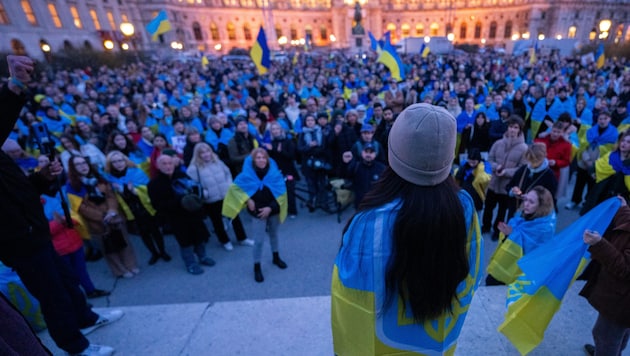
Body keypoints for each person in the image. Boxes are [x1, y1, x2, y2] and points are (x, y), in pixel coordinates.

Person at [331, 103, 482, 355]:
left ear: (393, 151)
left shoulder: (369, 221)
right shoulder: (464, 206)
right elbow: (472, 271)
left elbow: (348, 292)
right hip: (438, 336)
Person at [0, 55, 121, 356]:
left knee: (67, 281)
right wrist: (15, 84)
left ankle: (86, 319)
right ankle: (75, 345)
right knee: (52, 295)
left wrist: (41, 178)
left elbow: (18, 191)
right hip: (18, 240)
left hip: (33, 230)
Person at [66, 155, 140, 278]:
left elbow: (111, 195)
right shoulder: (72, 186)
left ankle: (131, 265)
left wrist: (112, 211)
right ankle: (120, 270)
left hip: (113, 215)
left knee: (124, 242)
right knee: (109, 248)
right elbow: (82, 208)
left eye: (84, 163)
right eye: (78, 164)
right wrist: (103, 216)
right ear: (73, 168)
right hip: (97, 221)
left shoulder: (99, 178)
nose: (83, 166)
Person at [222, 148, 289, 283]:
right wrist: (247, 199)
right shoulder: (246, 175)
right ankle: (257, 266)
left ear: (268, 159)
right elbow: (234, 189)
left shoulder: (274, 174)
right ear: (253, 160)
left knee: (274, 235)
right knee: (258, 241)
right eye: (258, 158)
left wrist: (270, 208)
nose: (261, 160)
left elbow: (282, 194)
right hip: (257, 213)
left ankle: (276, 257)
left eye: (264, 157)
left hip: (273, 210)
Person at [148, 154, 216, 275]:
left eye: (170, 163)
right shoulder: (154, 184)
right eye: (164, 164)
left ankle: (203, 257)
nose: (168, 166)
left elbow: (194, 188)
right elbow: (157, 205)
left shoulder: (181, 175)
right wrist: (179, 201)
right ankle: (191, 264)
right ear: (158, 166)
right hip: (176, 218)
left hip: (193, 213)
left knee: (200, 237)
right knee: (185, 242)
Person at [579, 196, 630, 356]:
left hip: (622, 299)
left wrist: (599, 244)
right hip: (621, 298)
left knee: (605, 335)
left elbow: (625, 268)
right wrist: (623, 209)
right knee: (618, 333)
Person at [104, 150, 171, 265]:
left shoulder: (136, 172)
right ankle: (154, 253)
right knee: (143, 234)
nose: (118, 164)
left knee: (155, 231)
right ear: (110, 164)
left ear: (125, 161)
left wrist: (135, 190)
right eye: (114, 162)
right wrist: (119, 191)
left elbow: (149, 188)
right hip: (131, 211)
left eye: (120, 160)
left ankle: (163, 251)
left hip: (145, 207)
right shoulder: (110, 179)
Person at [186, 142, 253, 251]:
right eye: (202, 153)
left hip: (226, 195)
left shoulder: (218, 161)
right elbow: (193, 186)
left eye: (208, 151)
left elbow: (228, 174)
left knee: (235, 218)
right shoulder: (193, 169)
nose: (206, 154)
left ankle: (242, 238)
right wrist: (205, 193)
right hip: (211, 200)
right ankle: (225, 241)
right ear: (197, 155)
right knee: (217, 222)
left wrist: (229, 185)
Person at [485, 186, 556, 285]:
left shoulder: (544, 228)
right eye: (526, 199)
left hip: (519, 272)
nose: (526, 204)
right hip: (507, 263)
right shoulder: (523, 215)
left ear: (541, 206)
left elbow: (530, 250)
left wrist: (511, 234)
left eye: (531, 202)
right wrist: (508, 235)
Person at [482, 116, 528, 240]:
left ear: (520, 130)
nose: (512, 130)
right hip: (493, 182)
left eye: (515, 127)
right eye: (510, 127)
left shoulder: (524, 148)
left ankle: (497, 231)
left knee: (502, 210)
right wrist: (496, 166)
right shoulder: (498, 143)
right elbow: (490, 159)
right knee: (488, 207)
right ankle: (485, 226)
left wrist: (506, 172)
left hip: (507, 185)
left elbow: (522, 168)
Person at [506, 142, 558, 219]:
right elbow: (509, 185)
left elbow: (550, 200)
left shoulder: (549, 175)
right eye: (530, 160)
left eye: (536, 161)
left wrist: (531, 199)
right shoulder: (524, 169)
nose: (533, 164)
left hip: (534, 216)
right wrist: (513, 191)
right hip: (516, 210)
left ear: (543, 157)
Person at [266, 121, 300, 218]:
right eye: (273, 129)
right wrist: (272, 151)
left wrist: (279, 151)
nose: (275, 131)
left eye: (277, 129)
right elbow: (271, 159)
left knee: (290, 192)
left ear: (281, 130)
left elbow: (291, 156)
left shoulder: (288, 141)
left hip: (289, 170)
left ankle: (293, 211)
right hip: (277, 172)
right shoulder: (271, 143)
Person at [340, 142, 386, 208]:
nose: (368, 154)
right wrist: (344, 163)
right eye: (366, 152)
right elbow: (343, 175)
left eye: (371, 152)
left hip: (376, 205)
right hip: (360, 205)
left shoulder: (381, 168)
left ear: (375, 154)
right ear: (362, 153)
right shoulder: (355, 166)